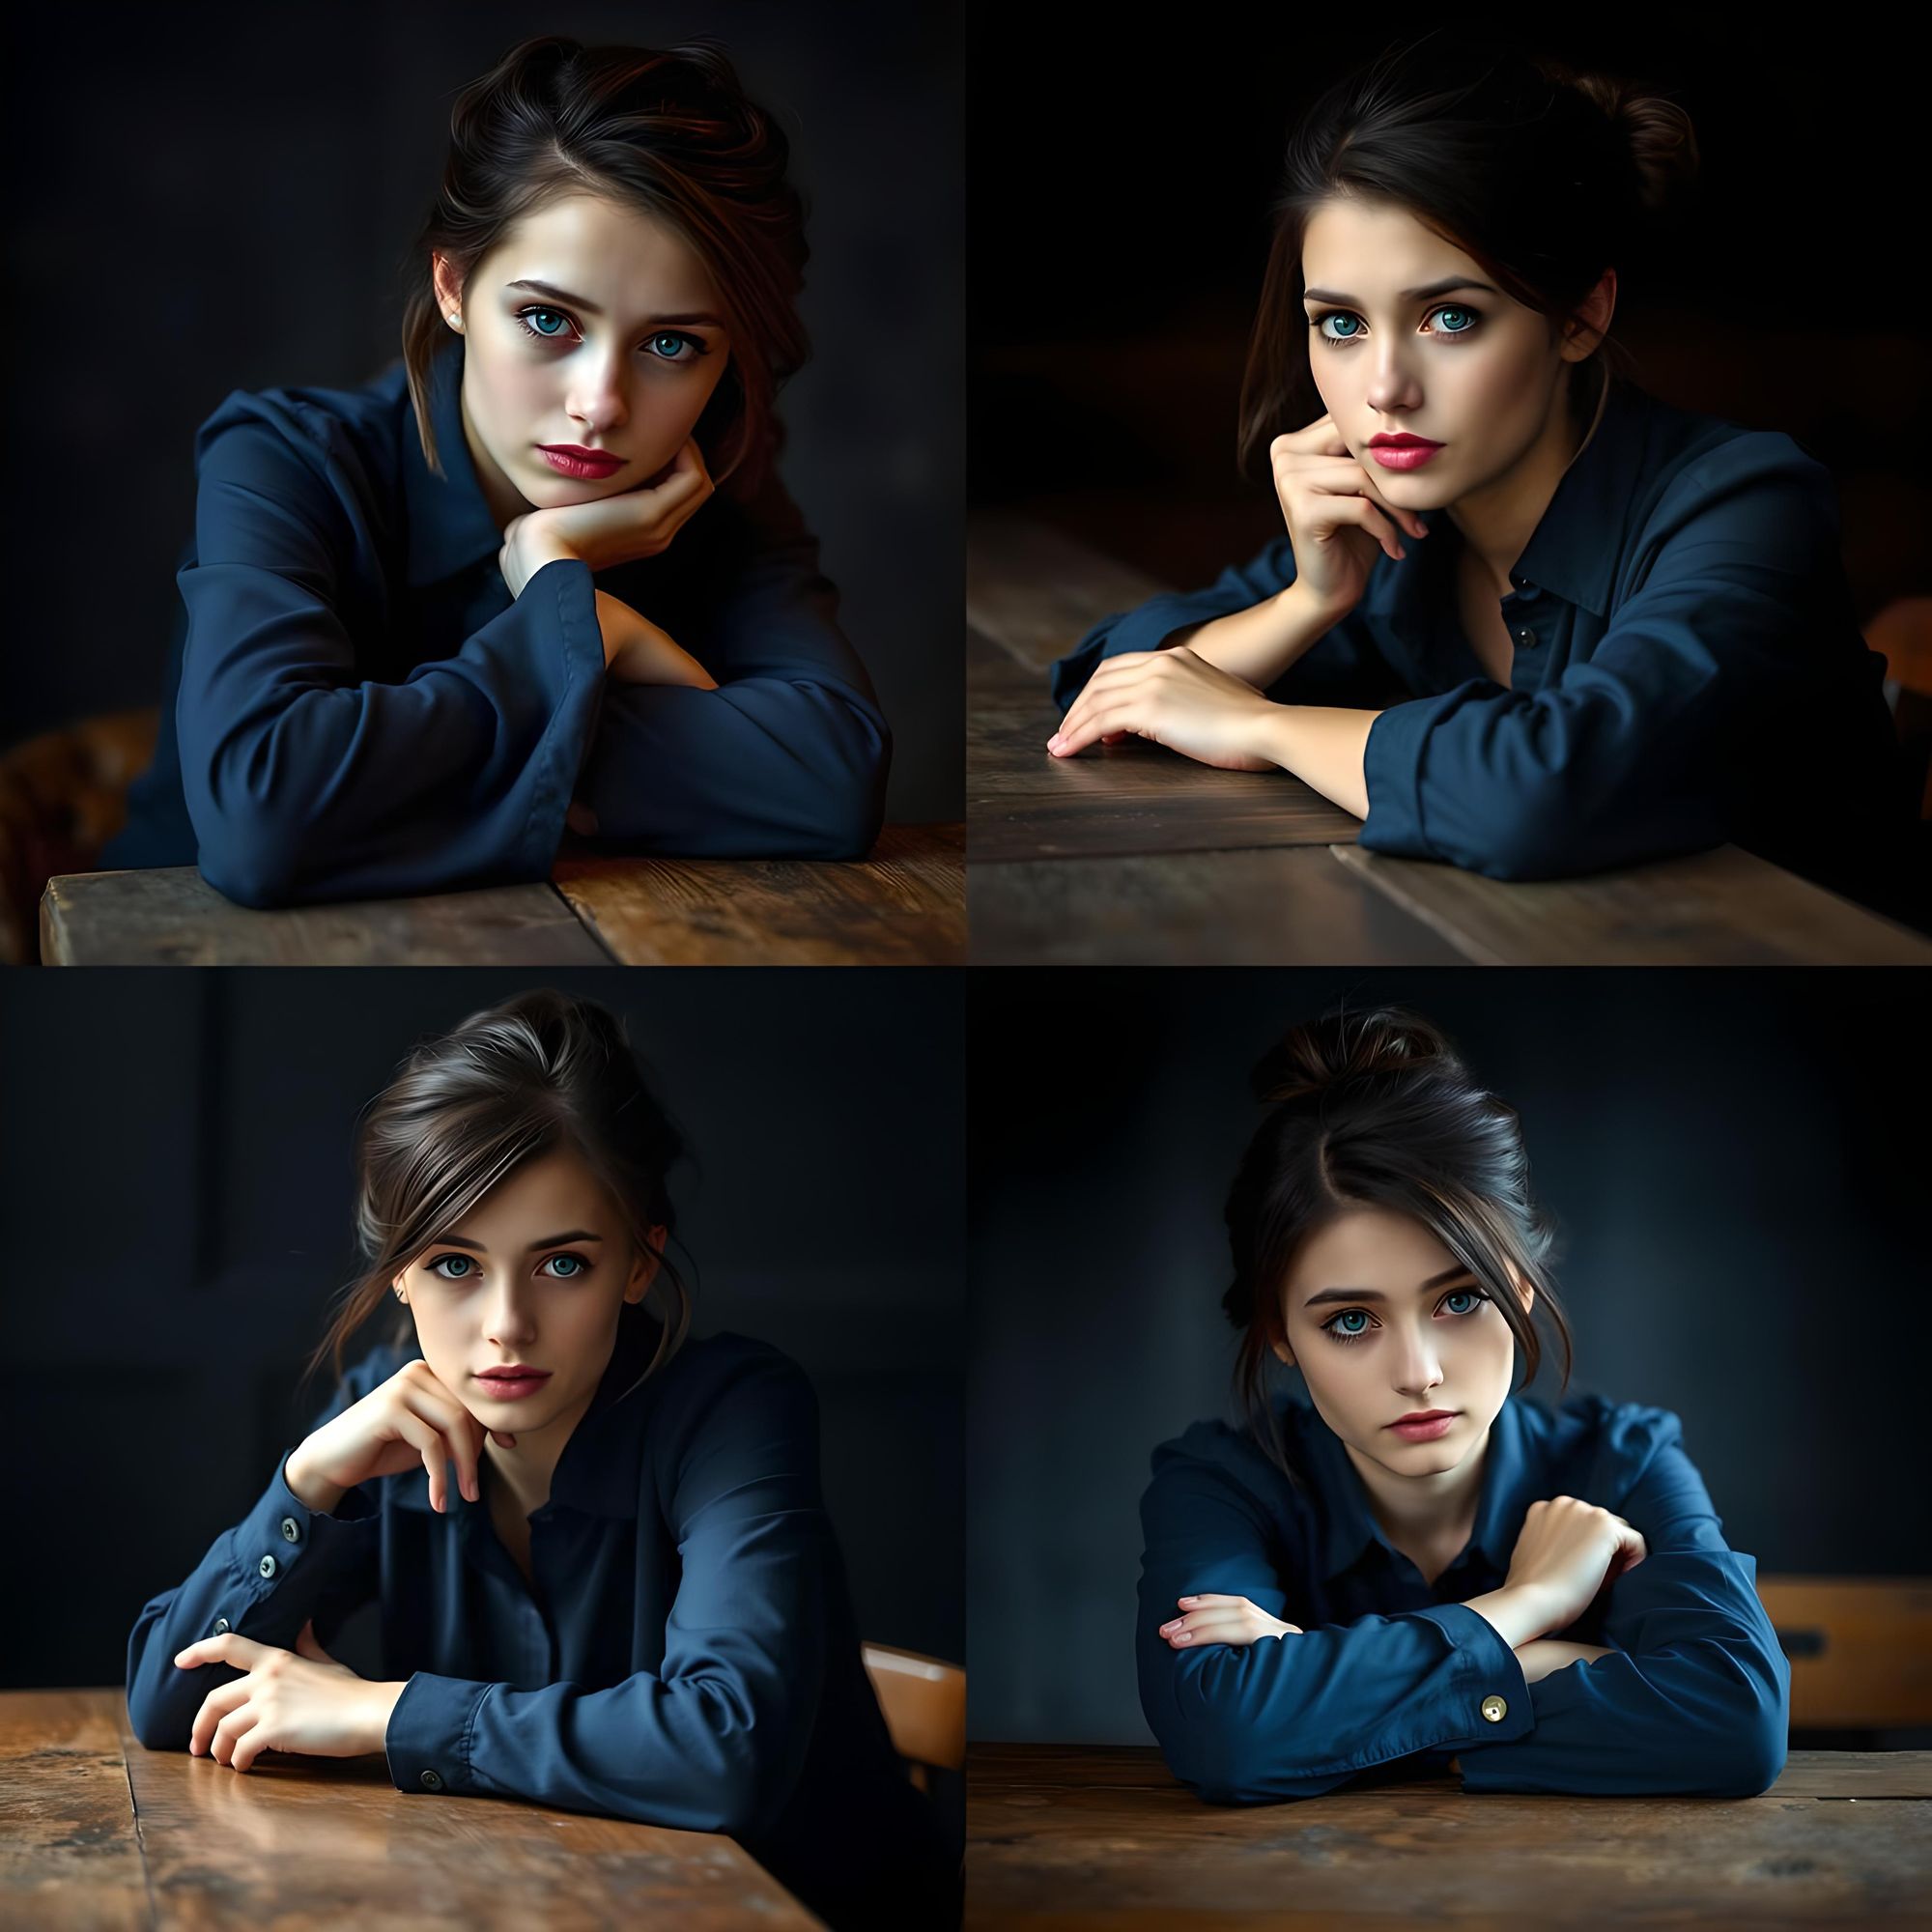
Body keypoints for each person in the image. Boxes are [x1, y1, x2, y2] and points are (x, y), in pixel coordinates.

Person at [1048, 26, 1926, 932]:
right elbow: (1105, 695)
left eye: (1450, 317)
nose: (1385, 388)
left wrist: (1259, 727)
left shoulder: (1744, 504)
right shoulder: (1395, 524)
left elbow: (1548, 789)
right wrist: (1305, 603)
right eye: (1341, 325)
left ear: (1581, 316)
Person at [126, 989, 960, 1932]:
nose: (505, 1327)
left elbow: (725, 1749)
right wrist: (307, 1479)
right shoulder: (381, 1404)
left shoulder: (732, 1409)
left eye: (561, 1263)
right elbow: (170, 1701)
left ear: (638, 1264)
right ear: (399, 1268)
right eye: (453, 1263)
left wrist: (385, 1713)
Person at [101, 36, 890, 910]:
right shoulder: (285, 460)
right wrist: (578, 615)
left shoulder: (723, 483)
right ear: (454, 286)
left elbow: (832, 781)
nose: (601, 404)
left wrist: (546, 606)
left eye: (672, 344)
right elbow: (266, 815)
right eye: (550, 319)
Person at [1136, 1003, 1790, 1803]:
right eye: (1351, 1321)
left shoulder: (1625, 1461)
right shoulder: (1221, 1484)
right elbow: (1228, 1735)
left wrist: (1322, 1674)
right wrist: (1529, 1609)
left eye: (1459, 1301)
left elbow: (1736, 1723)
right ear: (1279, 1333)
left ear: (1517, 1291)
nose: (1418, 1373)